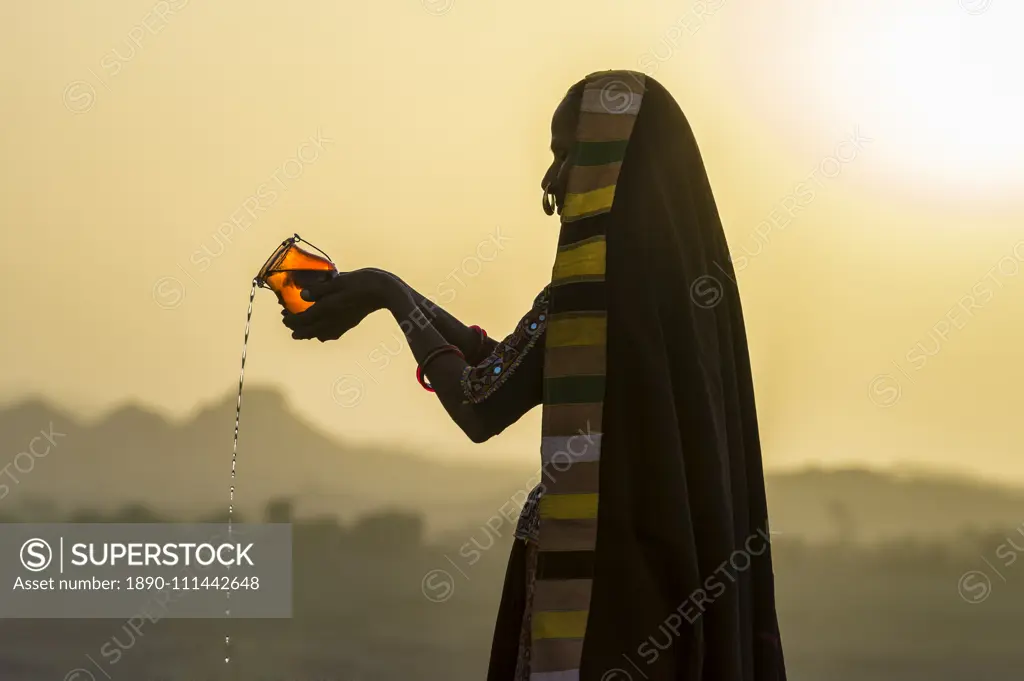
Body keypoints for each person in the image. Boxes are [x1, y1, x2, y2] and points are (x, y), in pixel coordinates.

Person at [282, 70, 787, 681]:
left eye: (567, 154)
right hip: (652, 613)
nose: (551, 180)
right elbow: (507, 363)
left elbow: (481, 403)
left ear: (613, 160)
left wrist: (390, 296)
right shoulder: (679, 304)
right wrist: (391, 292)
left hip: (596, 619)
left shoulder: (596, 295)